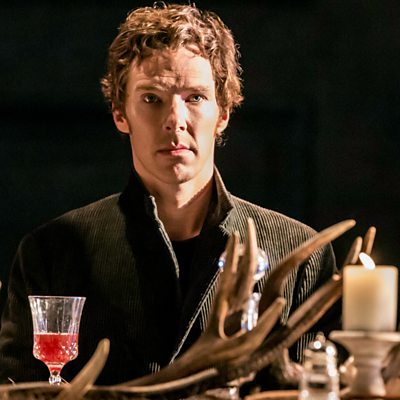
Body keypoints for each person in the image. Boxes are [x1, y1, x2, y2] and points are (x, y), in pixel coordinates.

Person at [0, 2, 337, 387]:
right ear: (120, 114)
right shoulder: (50, 253)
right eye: (151, 98)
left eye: (195, 97)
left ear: (223, 113)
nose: (175, 120)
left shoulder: (302, 257)